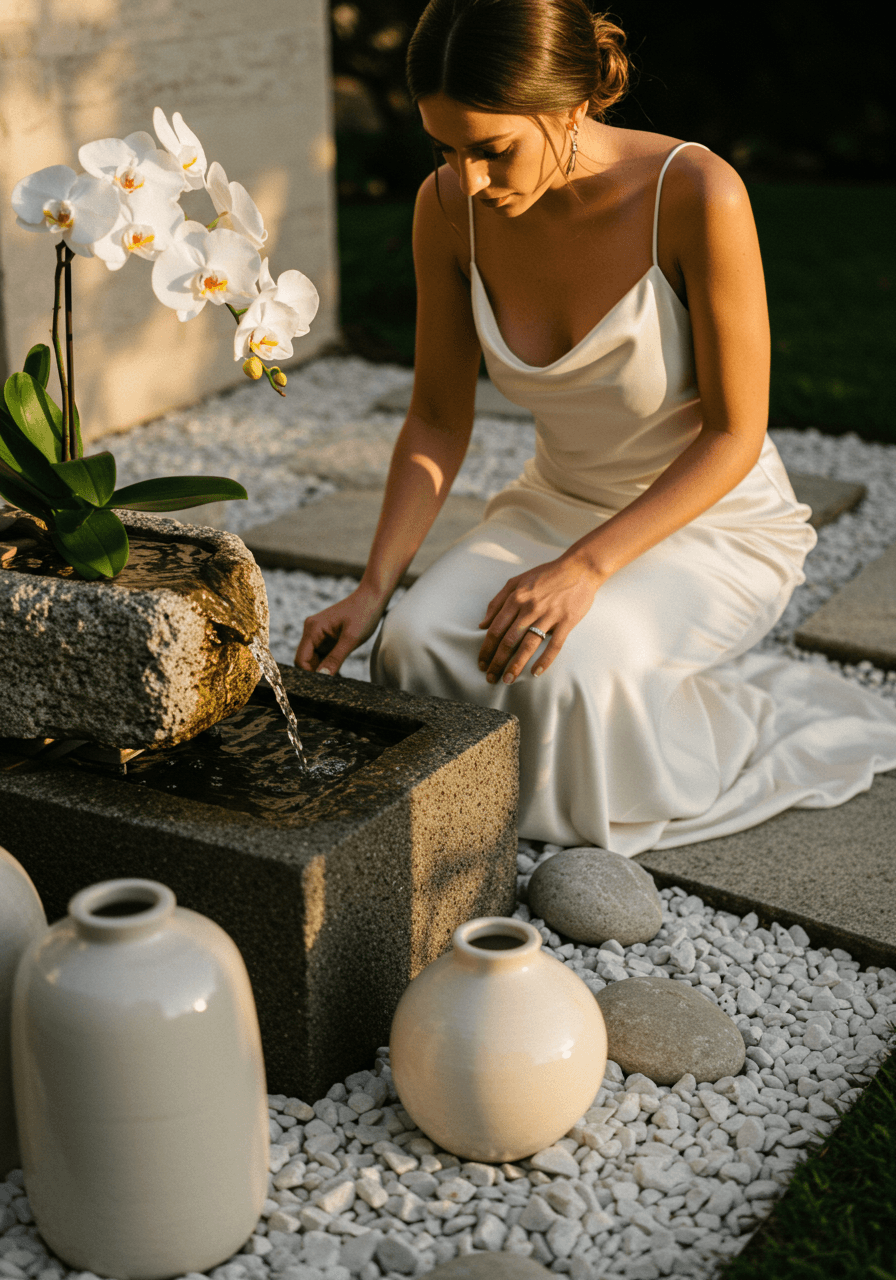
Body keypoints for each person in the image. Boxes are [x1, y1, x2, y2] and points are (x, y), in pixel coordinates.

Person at [297, 0, 896, 855]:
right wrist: (373, 586)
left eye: (490, 148)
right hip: (556, 503)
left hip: (710, 519)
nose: (465, 178)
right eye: (444, 149)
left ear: (572, 106)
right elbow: (435, 416)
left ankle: (705, 732)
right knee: (417, 648)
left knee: (573, 667)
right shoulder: (448, 209)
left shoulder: (695, 192)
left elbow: (735, 432)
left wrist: (585, 569)